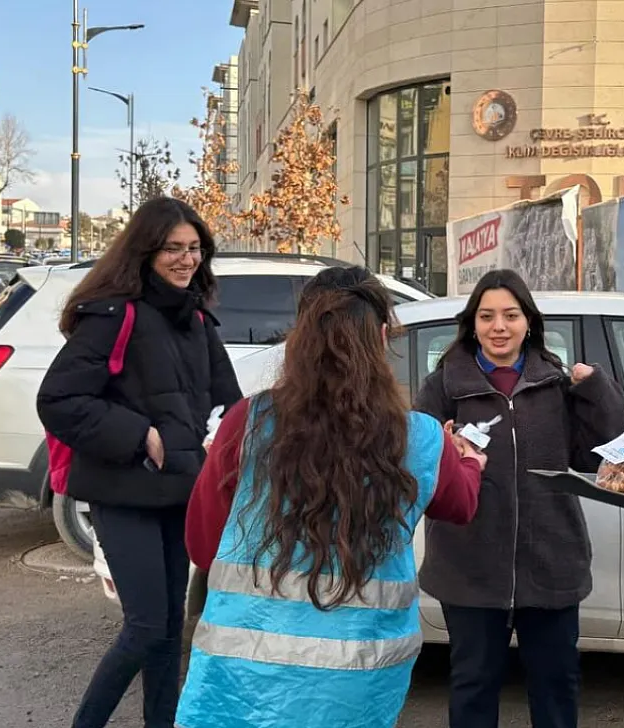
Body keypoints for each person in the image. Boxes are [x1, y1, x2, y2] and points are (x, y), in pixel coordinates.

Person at [174, 266, 486, 727]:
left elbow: (203, 546)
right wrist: (469, 464)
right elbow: (459, 505)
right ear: (381, 338)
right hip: (359, 679)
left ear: (300, 338)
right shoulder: (418, 437)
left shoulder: (249, 422)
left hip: (242, 680)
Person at [36, 197, 242, 728]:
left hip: (180, 491)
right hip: (123, 492)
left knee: (172, 629)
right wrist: (139, 434)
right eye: (173, 248)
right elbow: (58, 400)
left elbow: (230, 404)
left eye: (195, 248)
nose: (186, 259)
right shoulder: (113, 314)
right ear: (146, 251)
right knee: (147, 626)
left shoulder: (196, 318)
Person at [415, 269, 624, 728]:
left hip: (551, 563)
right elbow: (418, 466)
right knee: (473, 686)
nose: (499, 326)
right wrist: (446, 454)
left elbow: (603, 453)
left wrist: (595, 389)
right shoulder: (443, 388)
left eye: (510, 315)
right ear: (472, 323)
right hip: (470, 568)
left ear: (528, 322)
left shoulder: (555, 384)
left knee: (556, 686)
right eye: (487, 315)